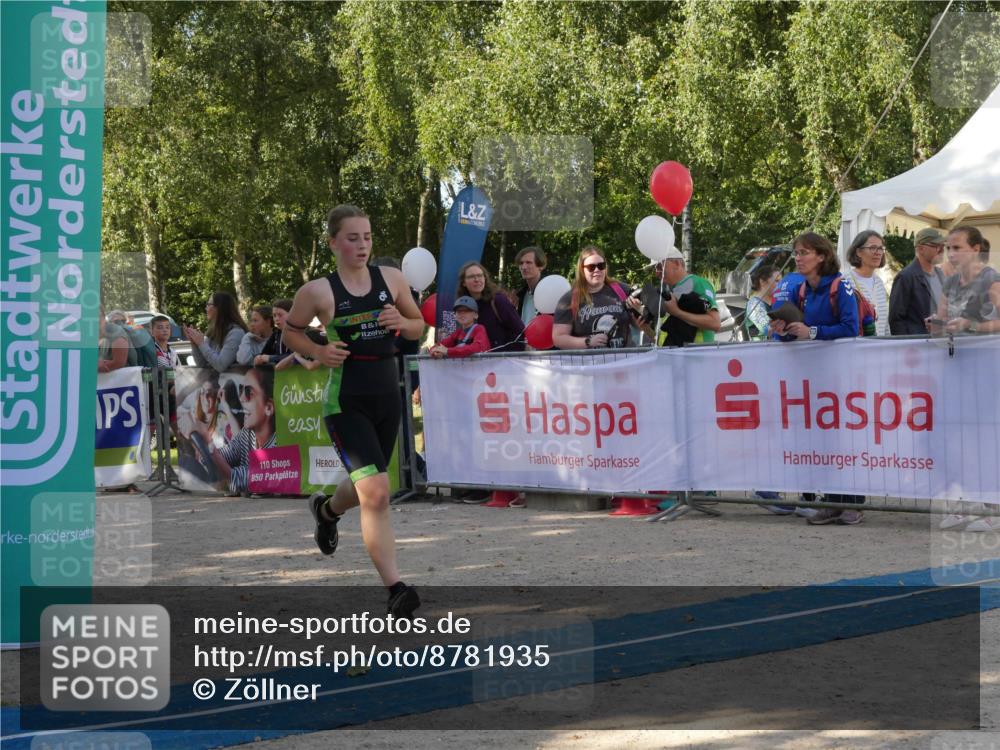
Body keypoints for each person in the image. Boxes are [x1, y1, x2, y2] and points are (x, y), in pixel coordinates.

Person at [282, 204, 426, 618]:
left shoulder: (392, 280)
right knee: (378, 493)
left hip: (387, 395)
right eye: (352, 238)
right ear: (333, 243)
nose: (362, 245)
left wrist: (401, 318)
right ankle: (396, 588)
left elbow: (418, 327)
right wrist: (318, 350)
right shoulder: (318, 292)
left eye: (366, 237)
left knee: (367, 488)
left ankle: (326, 510)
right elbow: (291, 332)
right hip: (345, 402)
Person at [769, 232, 865, 525]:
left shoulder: (841, 285)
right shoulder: (801, 291)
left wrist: (811, 332)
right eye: (797, 253)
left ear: (821, 256)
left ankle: (852, 503)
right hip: (814, 378)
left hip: (843, 375)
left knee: (844, 438)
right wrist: (782, 330)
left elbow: (851, 327)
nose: (798, 258)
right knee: (823, 439)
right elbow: (793, 334)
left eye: (805, 253)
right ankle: (830, 502)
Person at [191, 367, 276, 495]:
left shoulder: (277, 445)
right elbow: (226, 454)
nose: (241, 398)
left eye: (248, 392)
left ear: (268, 408)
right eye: (241, 389)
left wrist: (207, 441)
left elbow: (236, 479)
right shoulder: (248, 433)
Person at [552, 246, 636, 350]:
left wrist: (637, 310)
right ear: (582, 270)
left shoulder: (621, 289)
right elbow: (558, 338)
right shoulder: (570, 299)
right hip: (589, 364)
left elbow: (639, 324)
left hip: (625, 361)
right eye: (591, 267)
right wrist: (588, 341)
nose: (597, 270)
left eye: (601, 265)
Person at [929, 225, 1000, 337]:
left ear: (976, 250)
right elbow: (941, 327)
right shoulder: (950, 282)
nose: (950, 254)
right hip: (956, 351)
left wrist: (971, 325)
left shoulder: (992, 280)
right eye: (948, 248)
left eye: (957, 248)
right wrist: (936, 324)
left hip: (987, 352)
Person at [652, 247, 721, 346]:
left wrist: (677, 312)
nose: (657, 273)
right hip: (673, 357)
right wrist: (644, 327)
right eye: (655, 268)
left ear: (676, 263)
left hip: (696, 357)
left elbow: (715, 323)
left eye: (660, 267)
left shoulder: (698, 284)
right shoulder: (667, 290)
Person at [456, 261, 525, 352]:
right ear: (463, 283)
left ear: (485, 278)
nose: (477, 279)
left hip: (504, 361)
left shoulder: (498, 301)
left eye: (480, 275)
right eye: (471, 277)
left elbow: (520, 331)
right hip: (476, 363)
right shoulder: (463, 305)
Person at [888, 227, 946, 335]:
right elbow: (896, 320)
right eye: (937, 246)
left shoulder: (941, 274)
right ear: (920, 249)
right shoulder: (905, 277)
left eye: (943, 246)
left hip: (939, 344)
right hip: (917, 346)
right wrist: (908, 348)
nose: (942, 250)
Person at [184, 292, 247, 373]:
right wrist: (194, 343)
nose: (206, 308)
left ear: (219, 308)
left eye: (208, 304)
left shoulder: (236, 333)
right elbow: (201, 364)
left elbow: (220, 365)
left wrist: (201, 344)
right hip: (216, 384)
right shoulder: (212, 332)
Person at [845, 230, 889, 336]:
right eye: (872, 248)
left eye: (880, 248)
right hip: (857, 348)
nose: (878, 252)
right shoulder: (846, 282)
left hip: (880, 348)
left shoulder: (879, 283)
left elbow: (885, 324)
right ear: (858, 252)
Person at [743, 264, 781, 341]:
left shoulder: (777, 300)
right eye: (777, 281)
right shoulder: (754, 304)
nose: (781, 284)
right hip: (760, 349)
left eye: (782, 281)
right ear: (762, 282)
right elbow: (768, 329)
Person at [514, 246, 547, 325]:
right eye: (521, 263)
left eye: (529, 262)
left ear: (541, 266)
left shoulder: (549, 292)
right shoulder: (522, 294)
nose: (524, 267)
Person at [98, 305, 129, 373]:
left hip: (124, 380)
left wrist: (91, 366)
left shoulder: (115, 331)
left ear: (103, 316)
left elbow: (118, 362)